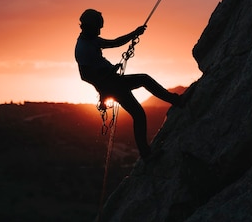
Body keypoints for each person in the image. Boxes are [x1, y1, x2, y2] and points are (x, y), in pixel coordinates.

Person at [74, 9, 181, 161]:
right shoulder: (83, 48)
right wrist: (106, 78)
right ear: (89, 27)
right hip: (112, 84)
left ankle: (146, 152)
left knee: (139, 108)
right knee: (142, 93)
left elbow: (114, 43)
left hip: (112, 82)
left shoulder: (90, 39)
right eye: (97, 28)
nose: (99, 31)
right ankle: (175, 101)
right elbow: (85, 76)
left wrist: (134, 33)